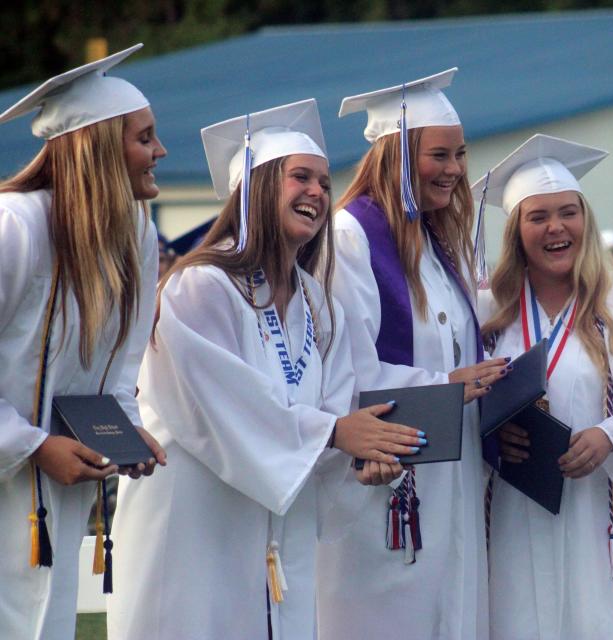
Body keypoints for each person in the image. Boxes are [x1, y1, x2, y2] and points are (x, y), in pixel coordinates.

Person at [107, 100, 423, 639]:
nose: (318, 193)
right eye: (301, 177)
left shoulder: (321, 306)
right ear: (254, 187)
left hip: (280, 531)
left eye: (325, 182)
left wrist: (359, 461)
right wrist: (336, 434)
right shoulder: (199, 288)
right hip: (194, 526)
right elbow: (219, 405)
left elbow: (339, 410)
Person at [477, 134, 613, 638]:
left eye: (567, 213)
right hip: (517, 512)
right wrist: (489, 437)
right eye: (538, 217)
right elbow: (464, 396)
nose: (556, 228)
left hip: (601, 511)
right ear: (516, 232)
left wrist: (611, 435)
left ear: (586, 220)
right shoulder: (489, 309)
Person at [315, 69, 508, 639]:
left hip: (451, 477)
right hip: (384, 479)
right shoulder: (351, 237)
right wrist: (449, 382)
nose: (454, 169)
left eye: (461, 155)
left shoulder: (434, 243)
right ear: (397, 155)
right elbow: (344, 371)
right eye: (439, 155)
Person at [0, 44, 166, 639]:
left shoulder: (133, 236)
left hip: (60, 496)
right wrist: (31, 445)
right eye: (144, 138)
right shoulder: (14, 227)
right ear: (98, 149)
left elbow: (120, 368)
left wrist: (121, 432)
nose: (160, 152)